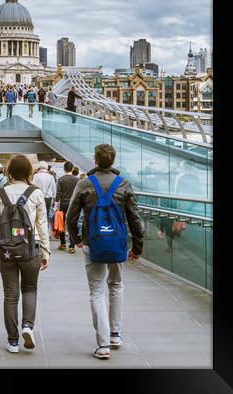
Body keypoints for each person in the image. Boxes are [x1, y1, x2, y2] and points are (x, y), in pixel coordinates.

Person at [66, 143, 144, 360]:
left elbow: (71, 215)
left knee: (96, 290)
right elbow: (135, 219)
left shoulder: (84, 184)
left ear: (95, 159)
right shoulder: (124, 184)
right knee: (116, 285)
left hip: (93, 243)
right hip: (118, 243)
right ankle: (115, 334)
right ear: (113, 160)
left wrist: (76, 240)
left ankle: (102, 345)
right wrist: (137, 247)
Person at [0, 154, 50, 353]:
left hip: (6, 251)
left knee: (10, 295)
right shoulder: (36, 193)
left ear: (9, 172)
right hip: (31, 250)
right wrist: (46, 251)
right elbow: (42, 225)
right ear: (29, 172)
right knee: (30, 289)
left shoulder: (0, 194)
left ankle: (13, 341)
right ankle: (27, 326)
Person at [55, 160, 78, 253]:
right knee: (72, 224)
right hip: (73, 204)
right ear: (72, 169)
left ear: (64, 169)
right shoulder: (77, 180)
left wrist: (56, 203)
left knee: (62, 223)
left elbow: (58, 194)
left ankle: (63, 243)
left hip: (63, 204)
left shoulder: (61, 179)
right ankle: (72, 246)